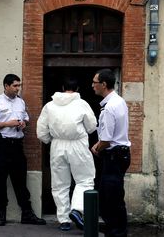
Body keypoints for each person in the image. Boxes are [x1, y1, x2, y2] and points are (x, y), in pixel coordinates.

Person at [0, 73, 46, 226]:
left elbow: (25, 117)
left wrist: (24, 123)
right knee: (1, 181)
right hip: (2, 147)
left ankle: (27, 214)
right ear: (6, 86)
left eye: (19, 85)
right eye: (15, 86)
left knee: (20, 181)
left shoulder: (20, 102)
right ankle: (1, 215)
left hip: (17, 146)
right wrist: (7, 123)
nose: (18, 89)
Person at [36, 77, 97, 231]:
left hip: (57, 145)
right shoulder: (82, 104)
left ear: (62, 87)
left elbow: (41, 132)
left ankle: (64, 220)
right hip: (78, 144)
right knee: (85, 180)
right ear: (77, 89)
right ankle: (77, 209)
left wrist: (51, 140)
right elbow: (91, 127)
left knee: (59, 184)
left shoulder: (49, 106)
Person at [90, 68, 131, 237]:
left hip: (113, 156)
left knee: (110, 201)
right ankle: (116, 231)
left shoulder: (108, 108)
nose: (92, 85)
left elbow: (106, 140)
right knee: (113, 198)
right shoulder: (119, 101)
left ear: (104, 84)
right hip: (121, 154)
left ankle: (117, 233)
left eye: (95, 82)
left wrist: (96, 147)